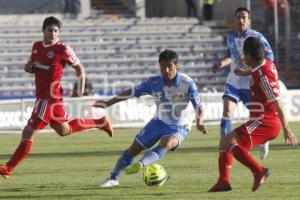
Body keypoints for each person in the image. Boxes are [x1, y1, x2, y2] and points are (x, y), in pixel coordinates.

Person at [0, 16, 113, 179]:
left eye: (56, 31)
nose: (53, 33)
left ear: (59, 32)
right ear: (43, 30)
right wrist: (28, 68)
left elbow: (79, 68)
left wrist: (80, 92)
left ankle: (9, 167)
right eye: (50, 30)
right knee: (64, 130)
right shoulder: (37, 46)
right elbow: (32, 66)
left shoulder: (63, 48)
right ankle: (100, 122)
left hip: (49, 98)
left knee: (28, 131)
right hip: (49, 97)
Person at [94, 49, 207, 188]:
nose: (166, 70)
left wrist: (200, 121)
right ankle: (113, 178)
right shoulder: (153, 82)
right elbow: (131, 92)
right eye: (162, 67)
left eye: (169, 67)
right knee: (133, 149)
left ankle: (140, 164)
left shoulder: (187, 83)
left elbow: (199, 106)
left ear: (177, 66)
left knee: (167, 143)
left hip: (180, 125)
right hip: (158, 121)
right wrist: (108, 103)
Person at [208, 37, 297, 192]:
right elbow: (260, 70)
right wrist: (245, 73)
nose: (242, 58)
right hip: (264, 121)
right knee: (226, 143)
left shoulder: (263, 77)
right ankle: (223, 181)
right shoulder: (266, 64)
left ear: (249, 56)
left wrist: (287, 129)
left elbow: (278, 104)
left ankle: (259, 171)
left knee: (228, 142)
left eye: (244, 55)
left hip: (265, 122)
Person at [211, 7, 274, 161]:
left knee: (256, 117)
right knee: (227, 112)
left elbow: (270, 56)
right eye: (238, 17)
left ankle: (263, 141)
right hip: (233, 81)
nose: (240, 20)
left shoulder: (257, 37)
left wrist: (254, 71)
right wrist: (221, 63)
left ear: (249, 20)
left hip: (250, 82)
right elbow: (231, 56)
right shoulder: (230, 37)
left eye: (243, 17)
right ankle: (226, 147)